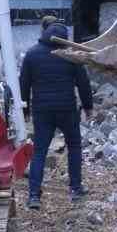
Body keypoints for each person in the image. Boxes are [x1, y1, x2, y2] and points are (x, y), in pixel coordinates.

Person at [19, 21, 93, 207]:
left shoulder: (32, 54)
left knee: (39, 151)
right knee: (74, 146)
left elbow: (24, 84)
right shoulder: (71, 55)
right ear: (64, 38)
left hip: (42, 111)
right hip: (67, 109)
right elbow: (83, 83)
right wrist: (88, 107)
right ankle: (75, 189)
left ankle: (34, 196)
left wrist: (25, 109)